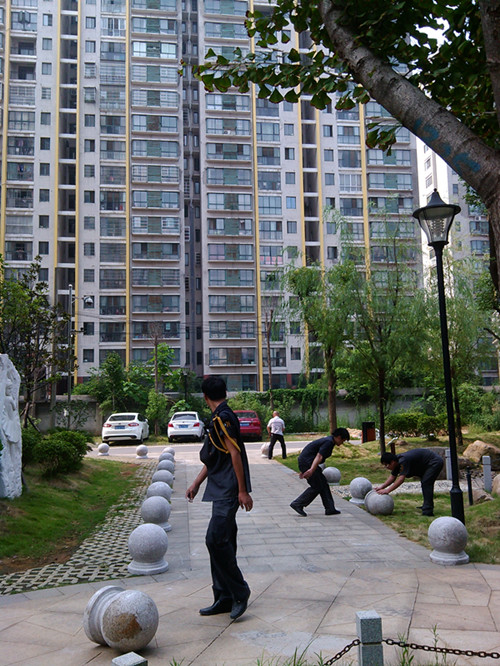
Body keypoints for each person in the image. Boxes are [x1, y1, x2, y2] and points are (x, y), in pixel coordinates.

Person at [186, 376, 253, 620]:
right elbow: (218, 457)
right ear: (224, 392)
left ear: (205, 397)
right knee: (224, 541)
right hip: (221, 487)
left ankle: (239, 591)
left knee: (215, 540)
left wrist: (242, 491)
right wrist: (196, 482)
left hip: (228, 489)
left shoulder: (223, 418)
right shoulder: (220, 417)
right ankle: (224, 597)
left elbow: (235, 453)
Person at [290, 427, 350, 517]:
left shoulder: (330, 441)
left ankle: (330, 508)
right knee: (317, 486)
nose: (342, 443)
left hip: (307, 462)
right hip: (308, 463)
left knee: (323, 484)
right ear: (338, 437)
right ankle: (298, 504)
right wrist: (311, 470)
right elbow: (319, 456)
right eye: (343, 440)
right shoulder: (329, 442)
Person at [376, 449, 444, 516]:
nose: (386, 467)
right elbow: (392, 477)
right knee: (425, 483)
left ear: (392, 462)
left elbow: (401, 479)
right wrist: (381, 487)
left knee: (426, 483)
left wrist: (387, 490)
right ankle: (426, 505)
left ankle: (428, 510)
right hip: (424, 464)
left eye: (387, 465)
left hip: (434, 462)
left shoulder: (403, 461)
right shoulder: (396, 463)